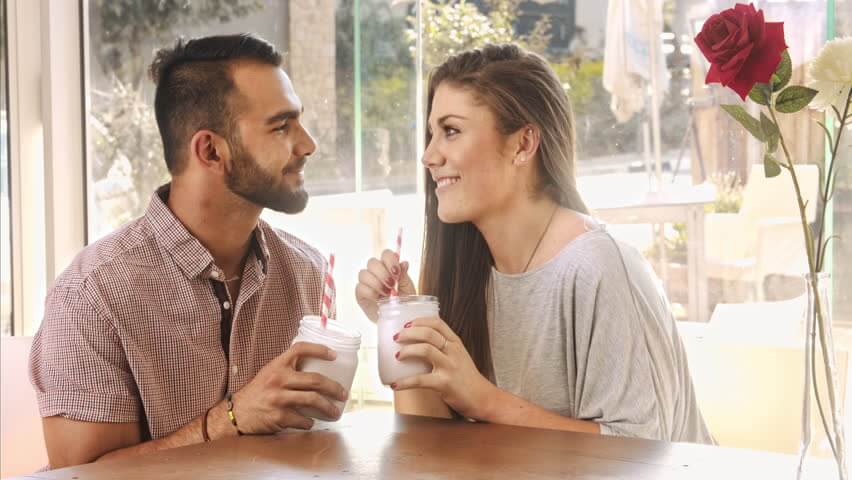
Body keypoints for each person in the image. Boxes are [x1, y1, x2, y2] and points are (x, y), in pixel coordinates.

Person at [355, 43, 714, 444]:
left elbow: (643, 451)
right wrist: (404, 326)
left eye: (451, 131)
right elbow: (430, 441)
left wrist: (482, 399)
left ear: (523, 144)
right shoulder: (468, 270)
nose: (428, 155)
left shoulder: (600, 267)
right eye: (431, 133)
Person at [29, 34, 348, 469]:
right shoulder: (92, 294)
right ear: (210, 150)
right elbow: (80, 475)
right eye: (281, 126)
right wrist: (231, 419)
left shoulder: (307, 271)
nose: (307, 144)